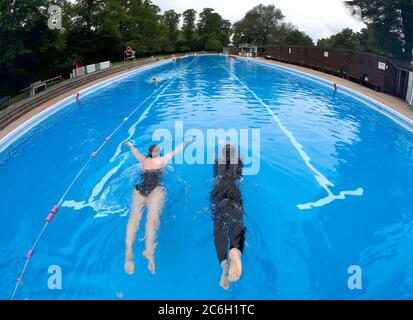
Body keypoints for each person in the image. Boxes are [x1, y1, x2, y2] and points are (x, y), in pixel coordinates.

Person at [124, 138, 194, 275]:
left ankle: (128, 252)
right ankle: (149, 251)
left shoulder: (143, 161)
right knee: (152, 218)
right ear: (158, 153)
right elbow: (177, 151)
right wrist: (187, 141)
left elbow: (135, 151)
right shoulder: (162, 160)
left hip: (139, 189)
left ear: (149, 153)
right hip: (156, 189)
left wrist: (130, 144)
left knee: (134, 216)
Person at [210, 144, 246, 289]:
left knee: (218, 226)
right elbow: (240, 174)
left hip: (217, 193)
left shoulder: (217, 160)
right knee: (237, 223)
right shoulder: (240, 159)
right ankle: (235, 250)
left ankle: (224, 263)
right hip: (234, 192)